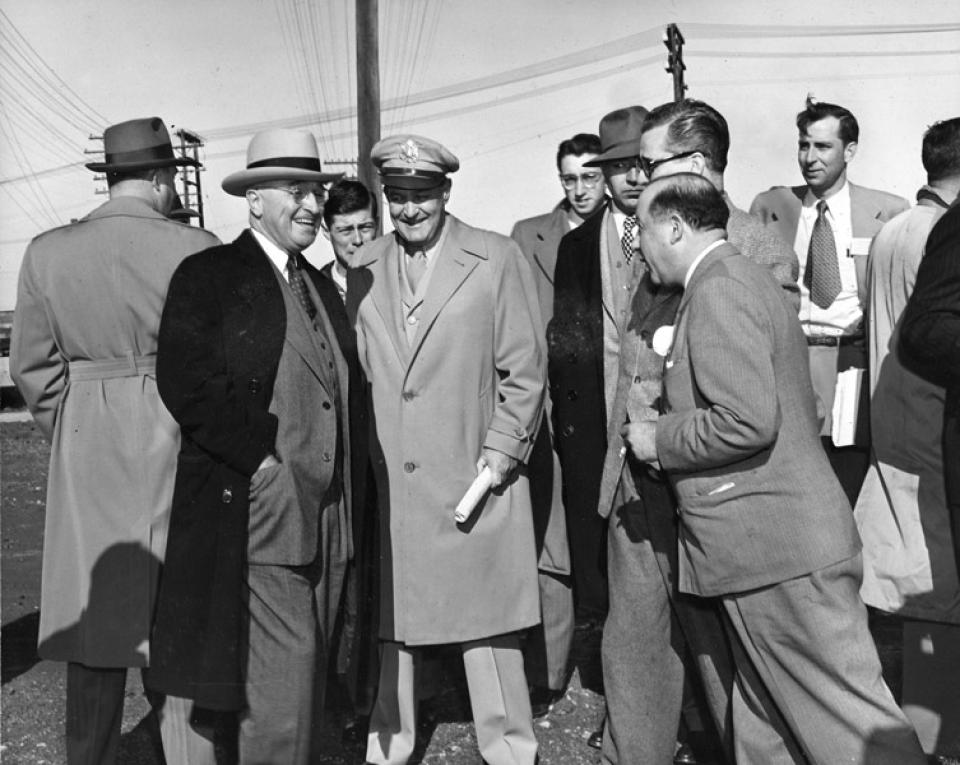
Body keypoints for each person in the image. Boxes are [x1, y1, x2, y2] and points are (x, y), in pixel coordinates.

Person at [623, 172, 926, 765]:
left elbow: (746, 420)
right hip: (762, 552)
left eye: (642, 230)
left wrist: (658, 437)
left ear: (676, 228)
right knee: (764, 727)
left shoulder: (719, 289)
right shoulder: (733, 279)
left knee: (852, 731)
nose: (637, 246)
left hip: (779, 555)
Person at [593, 97, 801, 765]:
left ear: (696, 164)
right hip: (637, 484)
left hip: (713, 492)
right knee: (634, 645)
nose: (635, 177)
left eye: (648, 163)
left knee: (726, 659)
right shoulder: (649, 235)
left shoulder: (756, 246)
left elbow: (758, 393)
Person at [10, 116, 220, 764]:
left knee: (93, 629)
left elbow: (33, 369)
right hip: (178, 438)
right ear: (161, 178)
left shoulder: (47, 252)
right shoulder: (198, 248)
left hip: (89, 442)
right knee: (182, 626)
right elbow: (219, 365)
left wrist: (74, 430)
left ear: (110, 177)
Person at [144, 128, 353, 764]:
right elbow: (186, 381)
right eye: (296, 190)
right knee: (282, 694)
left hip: (329, 518)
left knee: (306, 686)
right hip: (266, 512)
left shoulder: (316, 284)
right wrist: (261, 465)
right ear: (255, 199)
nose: (313, 204)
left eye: (315, 190)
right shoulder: (209, 274)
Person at [352, 133, 544, 765]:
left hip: (471, 474)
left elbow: (525, 372)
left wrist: (500, 455)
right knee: (395, 620)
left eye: (422, 196)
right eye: (397, 196)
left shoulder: (494, 257)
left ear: (446, 193)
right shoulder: (362, 266)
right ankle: (390, 744)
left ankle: (510, 747)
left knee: (485, 617)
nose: (409, 210)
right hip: (393, 483)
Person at [750, 98, 909, 504]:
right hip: (791, 364)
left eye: (823, 147)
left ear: (849, 151)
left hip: (852, 366)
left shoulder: (888, 213)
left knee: (847, 484)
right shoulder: (770, 209)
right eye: (804, 145)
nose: (809, 157)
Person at [509, 132, 606, 715]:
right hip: (544, 403)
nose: (579, 189)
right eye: (569, 178)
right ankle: (548, 671)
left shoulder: (625, 232)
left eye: (589, 177)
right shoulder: (530, 236)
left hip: (596, 404)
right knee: (550, 537)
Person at [878, 118, 960, 757]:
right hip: (933, 422)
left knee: (919, 586)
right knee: (939, 592)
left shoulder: (894, 227)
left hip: (898, 421)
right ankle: (935, 740)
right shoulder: (939, 231)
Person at [316, 178, 381, 739]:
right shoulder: (313, 287)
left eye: (365, 227)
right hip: (337, 448)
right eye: (344, 231)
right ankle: (338, 691)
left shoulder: (391, 277)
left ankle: (377, 692)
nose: (357, 240)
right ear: (328, 233)